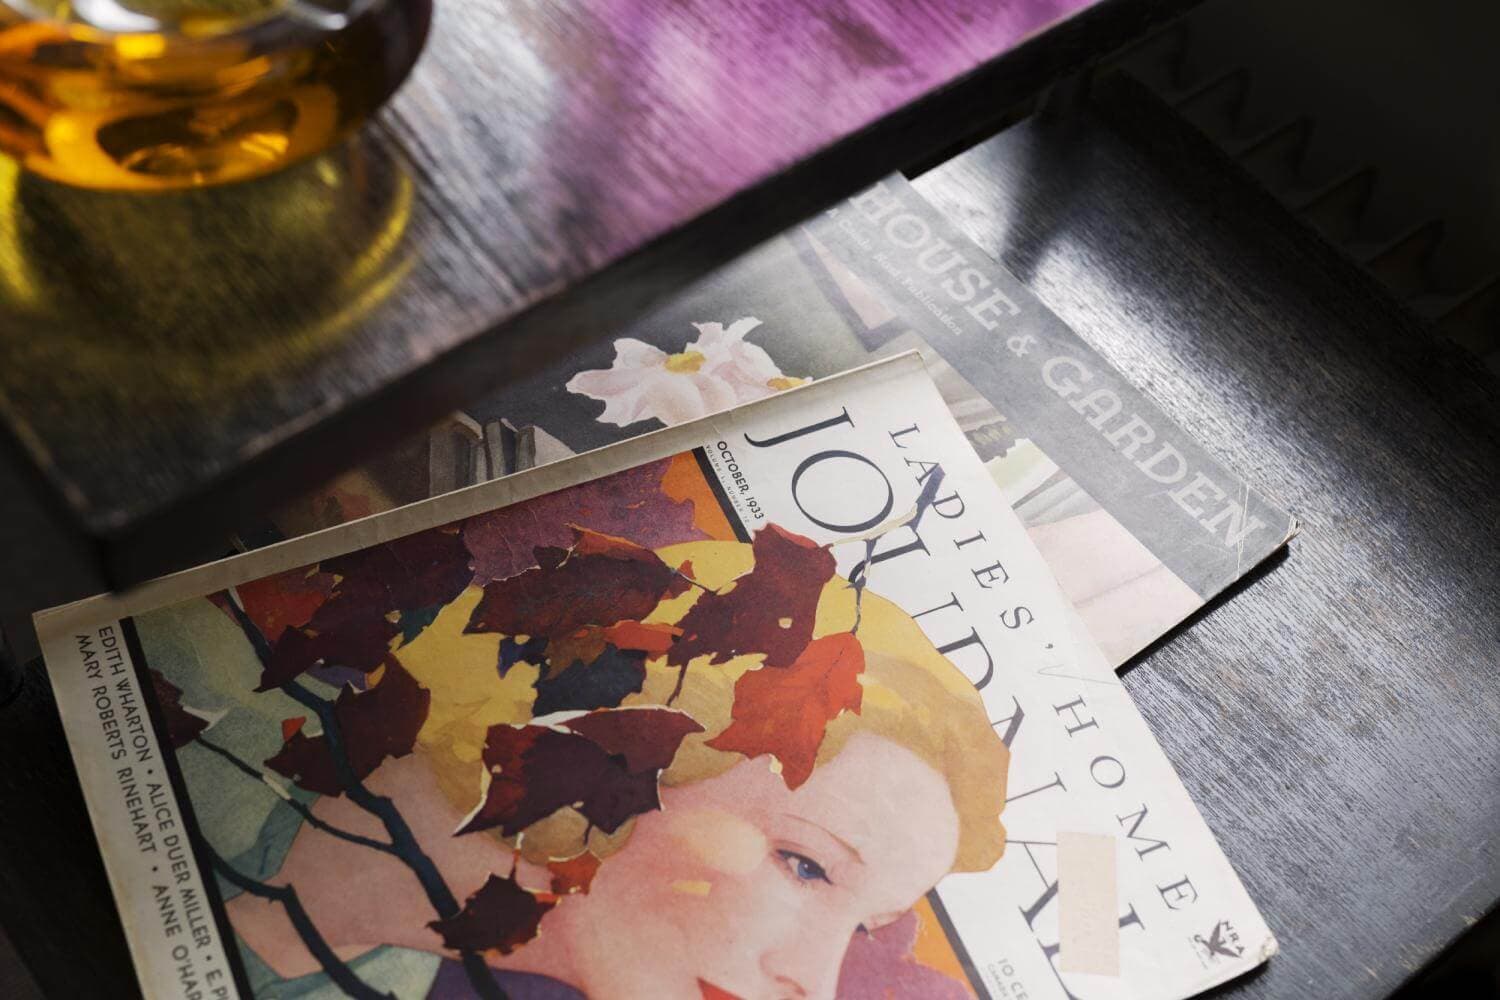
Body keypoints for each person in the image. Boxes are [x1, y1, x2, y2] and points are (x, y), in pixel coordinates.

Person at [228, 536, 1011, 1000]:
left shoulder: (385, 972)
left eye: (866, 924)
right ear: (611, 734)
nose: (812, 982)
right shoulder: (209, 704)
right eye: (806, 865)